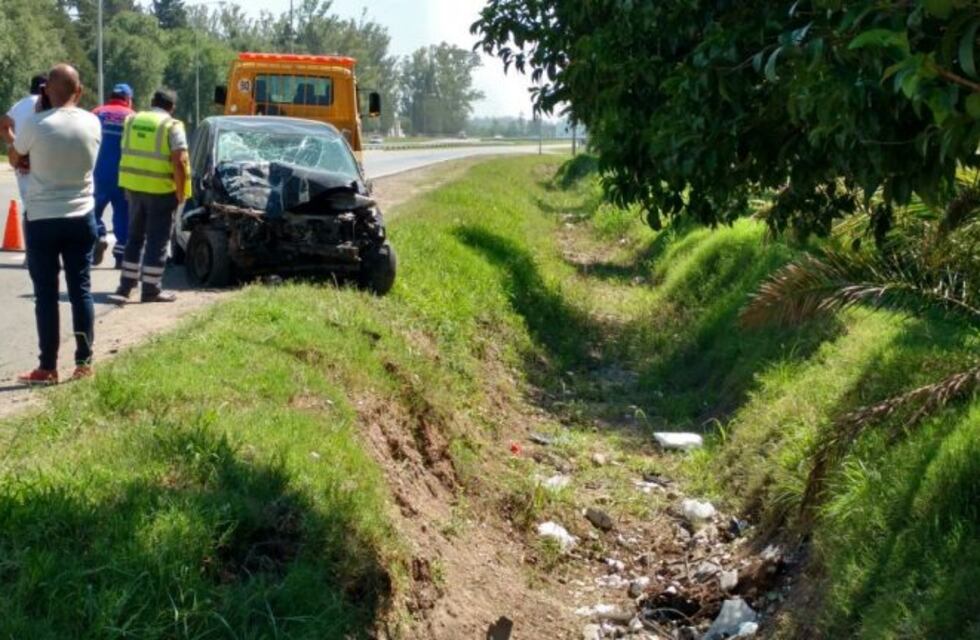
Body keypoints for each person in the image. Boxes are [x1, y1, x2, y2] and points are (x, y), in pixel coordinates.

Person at [8, 64, 101, 385]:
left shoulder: (34, 124)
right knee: (81, 290)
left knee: (46, 295)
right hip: (81, 216)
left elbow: (17, 157)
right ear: (80, 91)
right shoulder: (93, 122)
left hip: (43, 219)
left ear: (46, 90)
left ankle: (47, 367)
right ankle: (84, 361)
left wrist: (17, 152)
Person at [113, 88, 190, 303]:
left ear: (152, 102)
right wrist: (181, 191)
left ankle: (125, 287)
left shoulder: (132, 120)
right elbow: (180, 160)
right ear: (172, 107)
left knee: (134, 237)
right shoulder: (172, 125)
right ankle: (151, 289)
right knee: (158, 240)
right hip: (161, 189)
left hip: (134, 187)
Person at [92, 83, 135, 268]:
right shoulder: (133, 118)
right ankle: (121, 255)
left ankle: (99, 235)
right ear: (128, 99)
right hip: (123, 175)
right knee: (123, 216)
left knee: (91, 212)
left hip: (97, 173)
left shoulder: (96, 113)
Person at [0, 74, 47, 241]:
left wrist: (18, 147)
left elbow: (3, 126)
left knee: (29, 208)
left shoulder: (19, 105)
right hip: (45, 161)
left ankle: (31, 254)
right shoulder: (49, 104)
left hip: (23, 163)